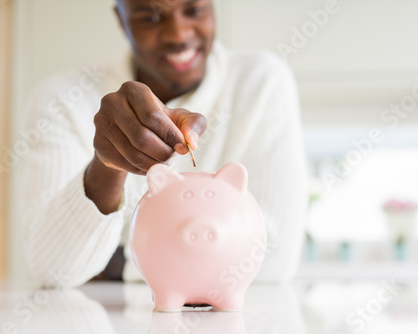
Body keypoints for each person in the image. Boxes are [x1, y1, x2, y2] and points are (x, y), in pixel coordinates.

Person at [23, 0, 308, 288]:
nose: (178, 35)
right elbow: (53, 271)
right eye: (149, 17)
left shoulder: (262, 81)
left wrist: (119, 262)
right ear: (122, 20)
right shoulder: (62, 100)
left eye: (195, 11)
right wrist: (107, 165)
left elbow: (274, 258)